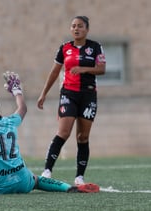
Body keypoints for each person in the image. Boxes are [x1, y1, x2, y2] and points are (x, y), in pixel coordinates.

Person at [0, 71, 99, 194]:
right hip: (22, 181)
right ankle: (68, 188)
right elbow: (22, 108)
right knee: (37, 180)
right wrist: (17, 90)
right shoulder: (9, 121)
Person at [37, 16, 106, 185]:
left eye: (80, 26)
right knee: (64, 132)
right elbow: (54, 72)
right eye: (73, 26)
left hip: (88, 95)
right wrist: (44, 93)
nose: (76, 29)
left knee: (83, 137)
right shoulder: (64, 48)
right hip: (68, 94)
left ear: (87, 29)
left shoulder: (95, 47)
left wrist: (83, 69)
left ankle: (79, 177)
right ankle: (47, 171)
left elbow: (102, 69)